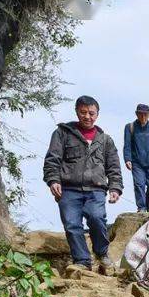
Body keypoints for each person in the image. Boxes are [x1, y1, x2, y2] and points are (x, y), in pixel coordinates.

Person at [42, 95, 123, 274]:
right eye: (83, 112)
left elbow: (114, 167)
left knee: (97, 218)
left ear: (97, 114)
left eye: (91, 113)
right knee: (72, 225)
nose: (87, 117)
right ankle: (82, 261)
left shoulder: (105, 140)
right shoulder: (62, 134)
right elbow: (52, 159)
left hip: (96, 189)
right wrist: (53, 180)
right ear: (77, 112)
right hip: (68, 189)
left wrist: (115, 188)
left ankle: (102, 254)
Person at [123, 102, 149, 212]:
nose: (143, 117)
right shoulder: (130, 127)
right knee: (139, 184)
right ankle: (141, 208)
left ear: (148, 114)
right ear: (136, 114)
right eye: (140, 114)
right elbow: (127, 145)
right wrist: (127, 159)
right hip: (137, 163)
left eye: (145, 114)